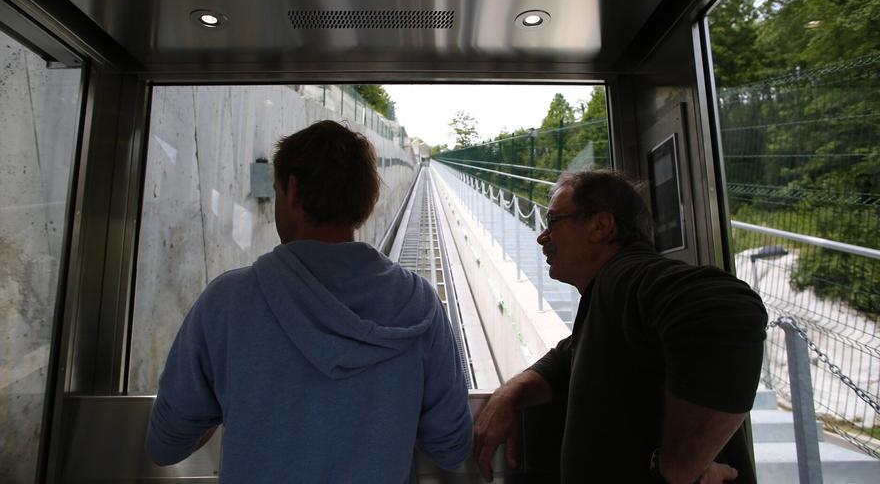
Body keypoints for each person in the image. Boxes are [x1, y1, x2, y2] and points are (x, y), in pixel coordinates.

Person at [146, 120, 472, 483]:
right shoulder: (420, 305)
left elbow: (165, 444)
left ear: (293, 190)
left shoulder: (226, 302)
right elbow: (451, 447)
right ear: (367, 199)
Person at [473, 170, 767, 484]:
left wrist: (678, 470)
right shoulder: (607, 301)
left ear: (600, 226)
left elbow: (727, 311)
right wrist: (509, 394)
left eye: (553, 222)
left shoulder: (624, 275)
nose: (542, 237)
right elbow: (566, 358)